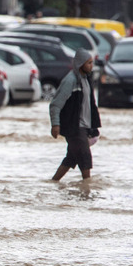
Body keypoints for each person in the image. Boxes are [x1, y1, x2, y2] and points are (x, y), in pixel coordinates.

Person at [48, 48, 101, 182]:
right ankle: (86, 192)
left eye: (92, 62)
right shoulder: (70, 81)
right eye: (88, 63)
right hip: (74, 127)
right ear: (80, 64)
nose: (91, 65)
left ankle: (53, 183)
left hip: (84, 126)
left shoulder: (86, 80)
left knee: (71, 158)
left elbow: (90, 104)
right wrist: (55, 124)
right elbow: (55, 104)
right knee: (85, 158)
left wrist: (93, 126)